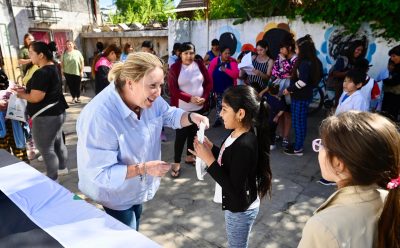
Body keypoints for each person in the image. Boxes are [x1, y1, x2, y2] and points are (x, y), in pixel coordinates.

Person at [77, 52, 209, 231]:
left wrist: (191, 117)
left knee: (135, 227)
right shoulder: (100, 116)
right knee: (127, 238)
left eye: (160, 85)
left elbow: (168, 114)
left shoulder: (149, 98)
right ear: (130, 82)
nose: (158, 92)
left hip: (137, 189)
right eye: (153, 86)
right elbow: (100, 173)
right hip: (114, 195)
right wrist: (144, 168)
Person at [298, 111, 400, 248]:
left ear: (339, 163)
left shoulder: (324, 226)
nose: (319, 150)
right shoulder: (390, 198)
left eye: (322, 145)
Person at [190, 85, 272, 248]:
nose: (220, 114)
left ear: (240, 113)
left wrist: (209, 160)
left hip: (240, 209)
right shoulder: (237, 133)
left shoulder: (246, 144)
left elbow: (234, 188)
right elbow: (230, 158)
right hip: (238, 205)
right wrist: (211, 148)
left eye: (225, 110)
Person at [14, 41, 69, 180]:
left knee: (46, 149)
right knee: (58, 143)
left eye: (31, 53)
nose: (29, 56)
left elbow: (36, 97)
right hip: (57, 112)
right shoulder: (54, 66)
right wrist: (26, 90)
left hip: (46, 117)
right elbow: (45, 90)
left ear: (41, 55)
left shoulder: (42, 72)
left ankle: (52, 178)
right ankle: (62, 168)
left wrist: (22, 95)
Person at [168, 42, 212, 177]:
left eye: (191, 53)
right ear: (179, 54)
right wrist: (190, 98)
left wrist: (204, 97)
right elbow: (172, 90)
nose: (189, 56)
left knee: (194, 134)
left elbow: (209, 82)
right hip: (182, 110)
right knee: (180, 136)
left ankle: (189, 156)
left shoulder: (199, 64)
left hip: (198, 108)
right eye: (185, 53)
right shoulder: (175, 68)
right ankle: (176, 163)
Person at [283, 35, 321, 156]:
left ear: (303, 49)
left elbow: (303, 82)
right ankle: (298, 145)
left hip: (300, 97)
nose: (295, 50)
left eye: (297, 47)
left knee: (298, 123)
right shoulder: (312, 61)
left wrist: (289, 89)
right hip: (303, 96)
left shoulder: (304, 63)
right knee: (300, 122)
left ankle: (298, 148)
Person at [260, 34, 297, 148]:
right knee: (279, 113)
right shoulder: (279, 57)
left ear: (289, 48)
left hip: (289, 90)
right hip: (278, 89)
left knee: (287, 113)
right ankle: (280, 134)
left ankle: (286, 137)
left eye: (282, 48)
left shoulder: (295, 59)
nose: (280, 50)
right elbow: (275, 73)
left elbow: (292, 73)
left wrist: (284, 62)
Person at [0, 70, 29, 163]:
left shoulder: (7, 80)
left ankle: (24, 171)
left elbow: (18, 95)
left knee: (20, 150)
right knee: (3, 156)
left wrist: (18, 94)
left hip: (14, 121)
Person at [328, 40, 366, 107]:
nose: (359, 52)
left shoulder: (358, 61)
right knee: (338, 106)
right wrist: (348, 73)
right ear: (353, 48)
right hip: (339, 88)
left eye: (361, 51)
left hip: (351, 89)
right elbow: (335, 73)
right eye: (358, 49)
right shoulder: (343, 59)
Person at [208, 46, 239, 127]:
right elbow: (210, 74)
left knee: (229, 105)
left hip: (229, 89)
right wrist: (210, 87)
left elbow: (235, 74)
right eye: (225, 53)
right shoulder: (215, 61)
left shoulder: (232, 62)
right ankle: (219, 119)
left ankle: (231, 120)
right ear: (221, 53)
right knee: (219, 104)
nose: (227, 55)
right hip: (218, 88)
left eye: (229, 53)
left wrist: (225, 70)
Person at [381, 45, 400, 122]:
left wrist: (385, 80)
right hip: (388, 94)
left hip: (396, 97)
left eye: (394, 56)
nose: (392, 59)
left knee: (390, 117)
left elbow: (394, 82)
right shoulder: (396, 66)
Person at [264, 84, 285, 150]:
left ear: (269, 91)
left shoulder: (267, 96)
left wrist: (265, 89)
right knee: (272, 132)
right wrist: (277, 116)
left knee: (265, 131)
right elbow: (282, 110)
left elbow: (258, 95)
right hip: (273, 119)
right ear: (278, 91)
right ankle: (271, 144)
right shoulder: (280, 100)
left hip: (265, 118)